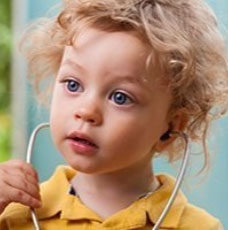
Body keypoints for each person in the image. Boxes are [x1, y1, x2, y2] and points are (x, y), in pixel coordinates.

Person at [0, 0, 227, 229]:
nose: (87, 111)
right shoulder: (15, 214)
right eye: (72, 84)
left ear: (170, 128)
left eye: (120, 97)